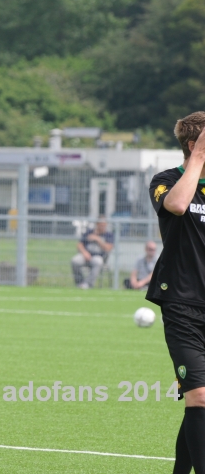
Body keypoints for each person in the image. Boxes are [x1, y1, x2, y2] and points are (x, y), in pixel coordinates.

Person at [147, 111, 205, 474]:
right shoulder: (167, 180)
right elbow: (177, 206)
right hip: (182, 303)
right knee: (199, 395)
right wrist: (197, 160)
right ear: (191, 144)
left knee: (200, 400)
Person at [71, 216, 114, 289]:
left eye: (104, 225)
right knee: (75, 261)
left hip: (99, 257)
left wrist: (98, 240)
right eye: (101, 225)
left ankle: (87, 284)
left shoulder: (108, 235)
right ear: (97, 224)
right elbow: (80, 245)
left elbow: (108, 248)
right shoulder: (89, 232)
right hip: (86, 255)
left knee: (98, 262)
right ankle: (80, 283)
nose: (103, 227)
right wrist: (84, 253)